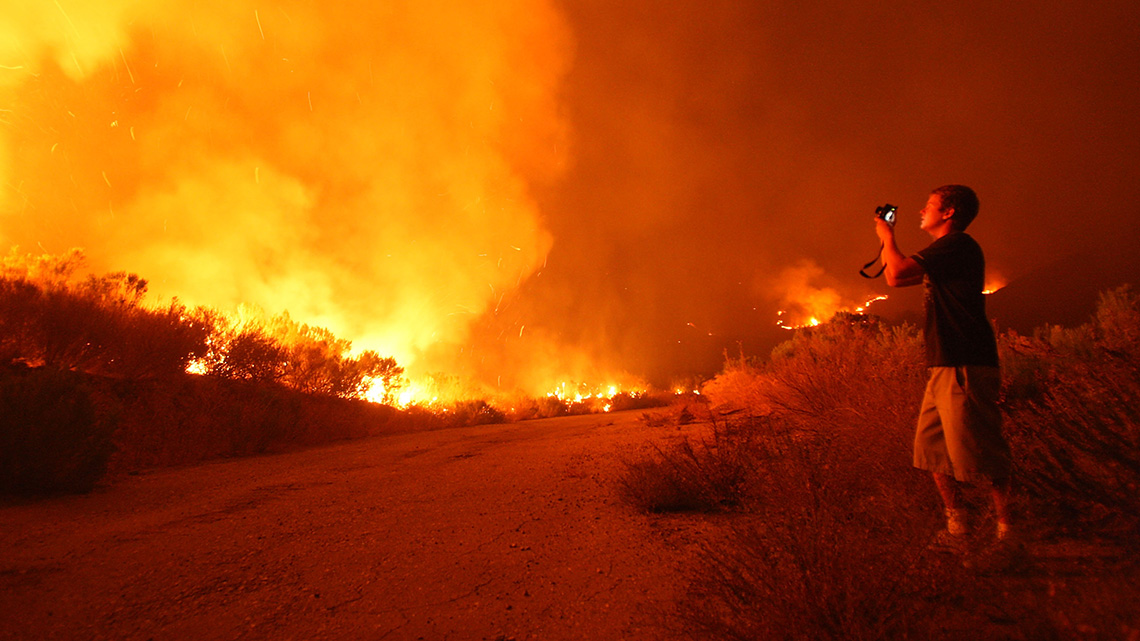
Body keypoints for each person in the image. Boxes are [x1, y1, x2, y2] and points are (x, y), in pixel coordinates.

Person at [874, 184, 1013, 551]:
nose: (922, 212)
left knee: (983, 452)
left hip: (965, 362)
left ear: (948, 212)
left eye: (929, 206)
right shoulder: (945, 252)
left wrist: (887, 234)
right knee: (933, 450)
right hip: (945, 363)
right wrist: (888, 240)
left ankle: (1008, 535)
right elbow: (895, 278)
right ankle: (958, 529)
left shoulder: (958, 244)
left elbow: (899, 269)